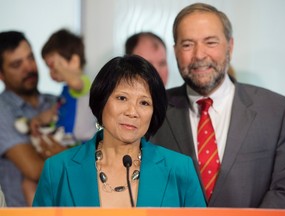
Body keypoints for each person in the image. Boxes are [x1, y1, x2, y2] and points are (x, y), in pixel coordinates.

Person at [151, 3, 285, 208]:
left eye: (211, 42)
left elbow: (283, 190)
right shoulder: (153, 111)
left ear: (230, 46)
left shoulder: (277, 111)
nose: (199, 55)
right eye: (188, 44)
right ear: (175, 51)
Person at [32, 55, 206, 207]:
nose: (132, 112)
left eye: (144, 103)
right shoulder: (57, 170)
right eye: (122, 98)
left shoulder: (180, 170)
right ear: (102, 101)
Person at [0, 31, 65, 206]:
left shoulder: (56, 102)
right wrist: (73, 156)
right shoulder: (3, 110)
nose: (28, 68)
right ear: (1, 74)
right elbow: (35, 170)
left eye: (30, 58)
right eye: (16, 64)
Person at [40, 28, 96, 146]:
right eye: (49, 67)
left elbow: (76, 84)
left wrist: (60, 68)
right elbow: (58, 108)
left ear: (74, 61)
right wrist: (43, 117)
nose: (52, 71)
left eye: (53, 65)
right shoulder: (66, 89)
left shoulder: (84, 82)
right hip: (67, 142)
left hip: (83, 144)